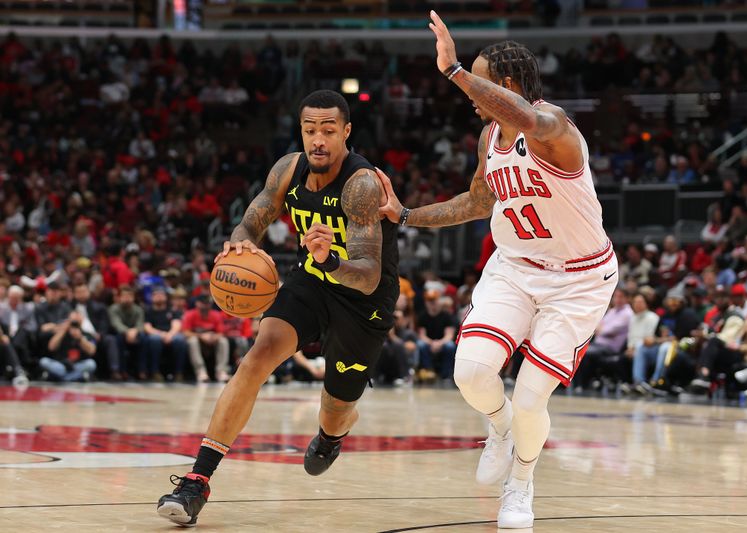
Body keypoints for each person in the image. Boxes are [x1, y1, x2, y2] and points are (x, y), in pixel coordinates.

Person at [378, 16, 616, 528]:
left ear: (505, 86)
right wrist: (405, 215)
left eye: (480, 82)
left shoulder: (555, 129)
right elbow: (476, 202)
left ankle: (522, 485)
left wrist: (456, 70)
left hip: (577, 280)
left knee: (532, 396)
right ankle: (499, 429)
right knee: (470, 372)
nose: (470, 94)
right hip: (514, 268)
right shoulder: (490, 137)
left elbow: (530, 121)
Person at [157, 90, 399, 527]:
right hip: (312, 280)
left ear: (346, 132)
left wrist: (330, 258)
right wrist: (240, 241)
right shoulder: (288, 168)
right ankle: (197, 481)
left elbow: (366, 272)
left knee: (336, 408)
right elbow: (251, 219)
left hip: (364, 299)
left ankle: (331, 435)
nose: (318, 140)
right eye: (310, 131)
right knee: (256, 358)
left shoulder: (361, 183)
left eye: (328, 130)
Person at [181, 294, 229, 383]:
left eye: (207, 303)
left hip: (212, 342)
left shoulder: (216, 315)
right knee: (192, 341)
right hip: (198, 342)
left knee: (223, 341)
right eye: (203, 303)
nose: (205, 306)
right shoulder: (190, 314)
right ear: (197, 304)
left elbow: (221, 333)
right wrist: (201, 336)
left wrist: (214, 337)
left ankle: (221, 371)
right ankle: (201, 371)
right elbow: (185, 333)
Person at [144, 287, 188, 382]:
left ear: (166, 297)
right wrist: (162, 334)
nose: (159, 296)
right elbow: (147, 328)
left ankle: (178, 373)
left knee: (179, 340)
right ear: (152, 297)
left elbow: (176, 325)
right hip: (155, 334)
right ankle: (155, 372)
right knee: (154, 340)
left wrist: (170, 335)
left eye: (161, 294)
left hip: (171, 334)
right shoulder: (148, 311)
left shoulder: (172, 310)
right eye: (156, 294)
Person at [39, 310, 97, 382]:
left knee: (91, 364)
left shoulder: (86, 334)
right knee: (44, 361)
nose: (74, 324)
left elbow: (92, 351)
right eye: (72, 322)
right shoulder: (62, 333)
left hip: (76, 366)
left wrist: (80, 338)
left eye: (77, 322)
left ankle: (62, 378)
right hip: (61, 365)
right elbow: (51, 347)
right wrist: (63, 330)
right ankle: (77, 377)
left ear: (82, 321)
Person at [416, 290, 457, 382]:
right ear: (426, 302)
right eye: (429, 301)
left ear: (438, 301)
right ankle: (429, 371)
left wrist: (438, 343)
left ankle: (445, 375)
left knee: (450, 346)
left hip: (442, 342)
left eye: (434, 300)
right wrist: (432, 343)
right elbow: (422, 335)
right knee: (421, 344)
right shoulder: (422, 316)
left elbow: (449, 335)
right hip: (429, 343)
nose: (432, 303)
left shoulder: (447, 316)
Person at [108, 286, 146, 380]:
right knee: (118, 339)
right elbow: (116, 324)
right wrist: (127, 332)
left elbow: (140, 324)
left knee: (143, 338)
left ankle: (141, 370)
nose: (127, 299)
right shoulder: (113, 309)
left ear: (133, 298)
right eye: (124, 296)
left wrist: (135, 331)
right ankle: (122, 371)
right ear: (119, 297)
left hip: (134, 334)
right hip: (120, 334)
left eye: (130, 296)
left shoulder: (138, 309)